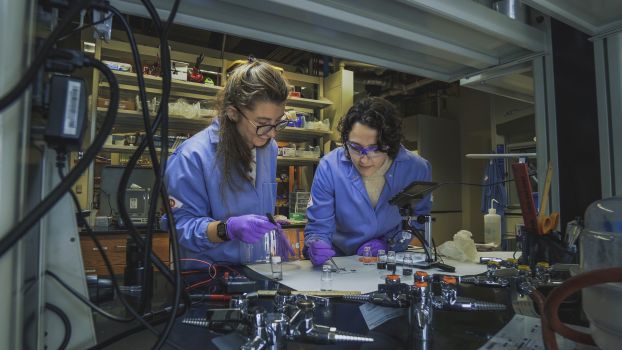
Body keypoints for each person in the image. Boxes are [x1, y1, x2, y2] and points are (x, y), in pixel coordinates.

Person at [162, 60, 293, 267]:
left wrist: (272, 231)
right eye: (263, 124)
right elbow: (179, 226)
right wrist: (227, 229)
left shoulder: (269, 147)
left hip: (257, 271)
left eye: (278, 122)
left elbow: (257, 205)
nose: (273, 133)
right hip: (208, 277)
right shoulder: (191, 156)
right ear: (233, 113)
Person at [303, 97, 432, 266]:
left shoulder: (416, 169)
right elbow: (319, 226)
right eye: (355, 148)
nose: (363, 160)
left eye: (375, 150)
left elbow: (418, 221)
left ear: (391, 145)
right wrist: (316, 244)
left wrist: (390, 243)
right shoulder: (329, 167)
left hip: (390, 260)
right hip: (341, 261)